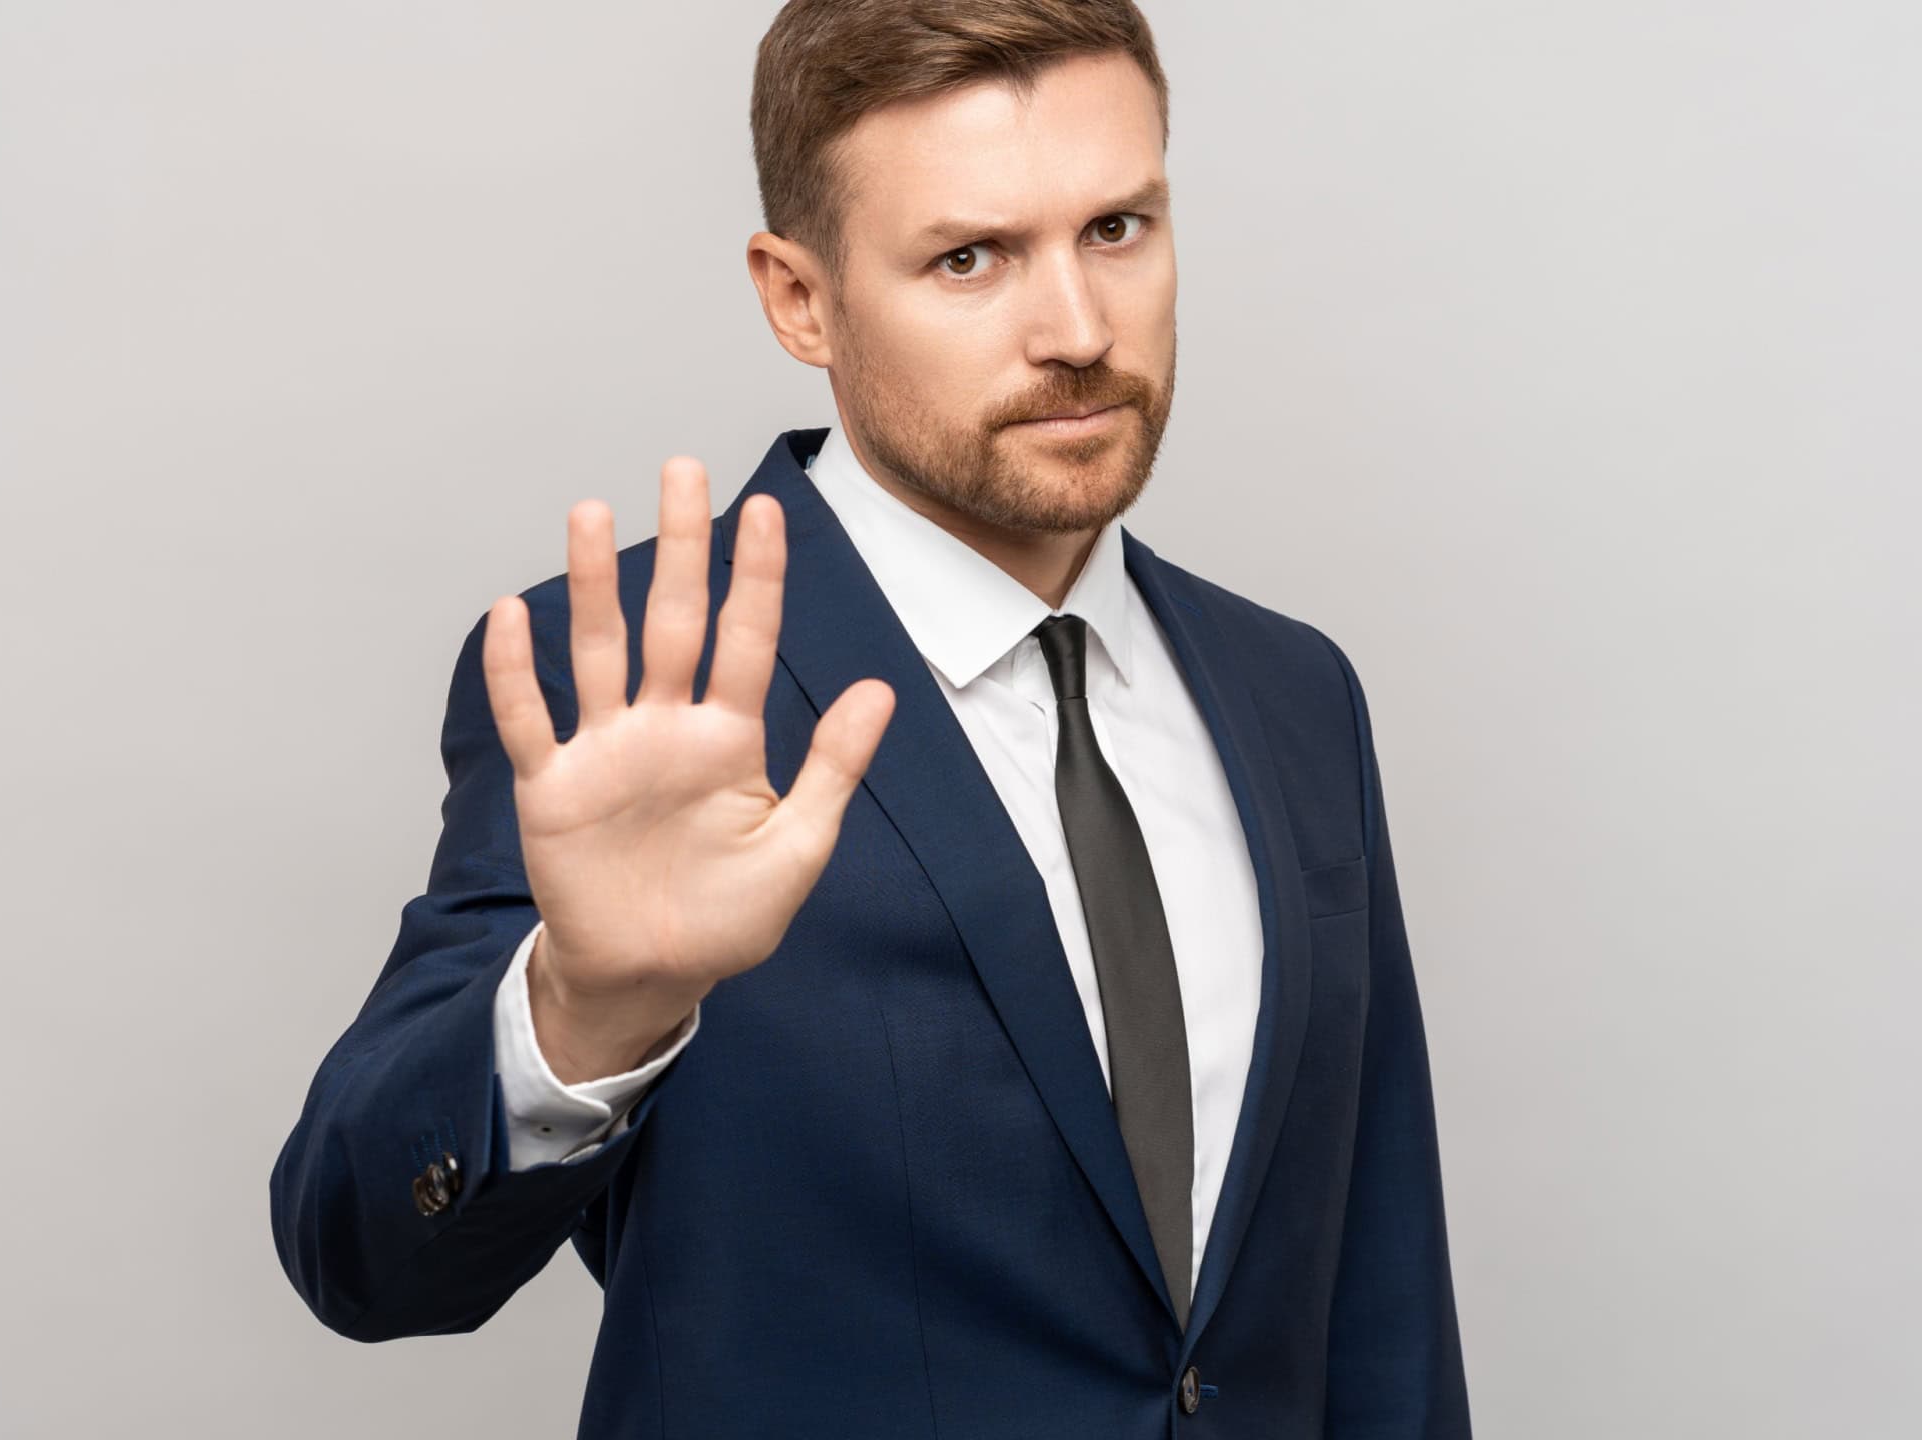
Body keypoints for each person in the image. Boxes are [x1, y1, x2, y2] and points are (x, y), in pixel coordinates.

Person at [270, 2, 1471, 1433]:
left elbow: (1380, 1305)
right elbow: (361, 1253)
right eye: (970, 258)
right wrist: (586, 1011)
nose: (1078, 332)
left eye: (1117, 230)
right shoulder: (631, 687)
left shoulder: (1296, 694)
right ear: (801, 299)